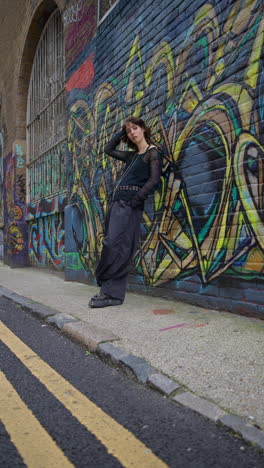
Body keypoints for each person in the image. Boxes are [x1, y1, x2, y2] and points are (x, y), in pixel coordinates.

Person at [88, 116, 162, 308]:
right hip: (116, 204)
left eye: (135, 128)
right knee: (111, 244)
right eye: (129, 131)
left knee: (117, 246)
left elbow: (154, 180)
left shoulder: (152, 153)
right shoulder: (131, 156)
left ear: (143, 129)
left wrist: (134, 200)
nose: (132, 133)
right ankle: (109, 291)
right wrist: (122, 132)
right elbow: (108, 150)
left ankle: (111, 293)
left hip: (128, 205)